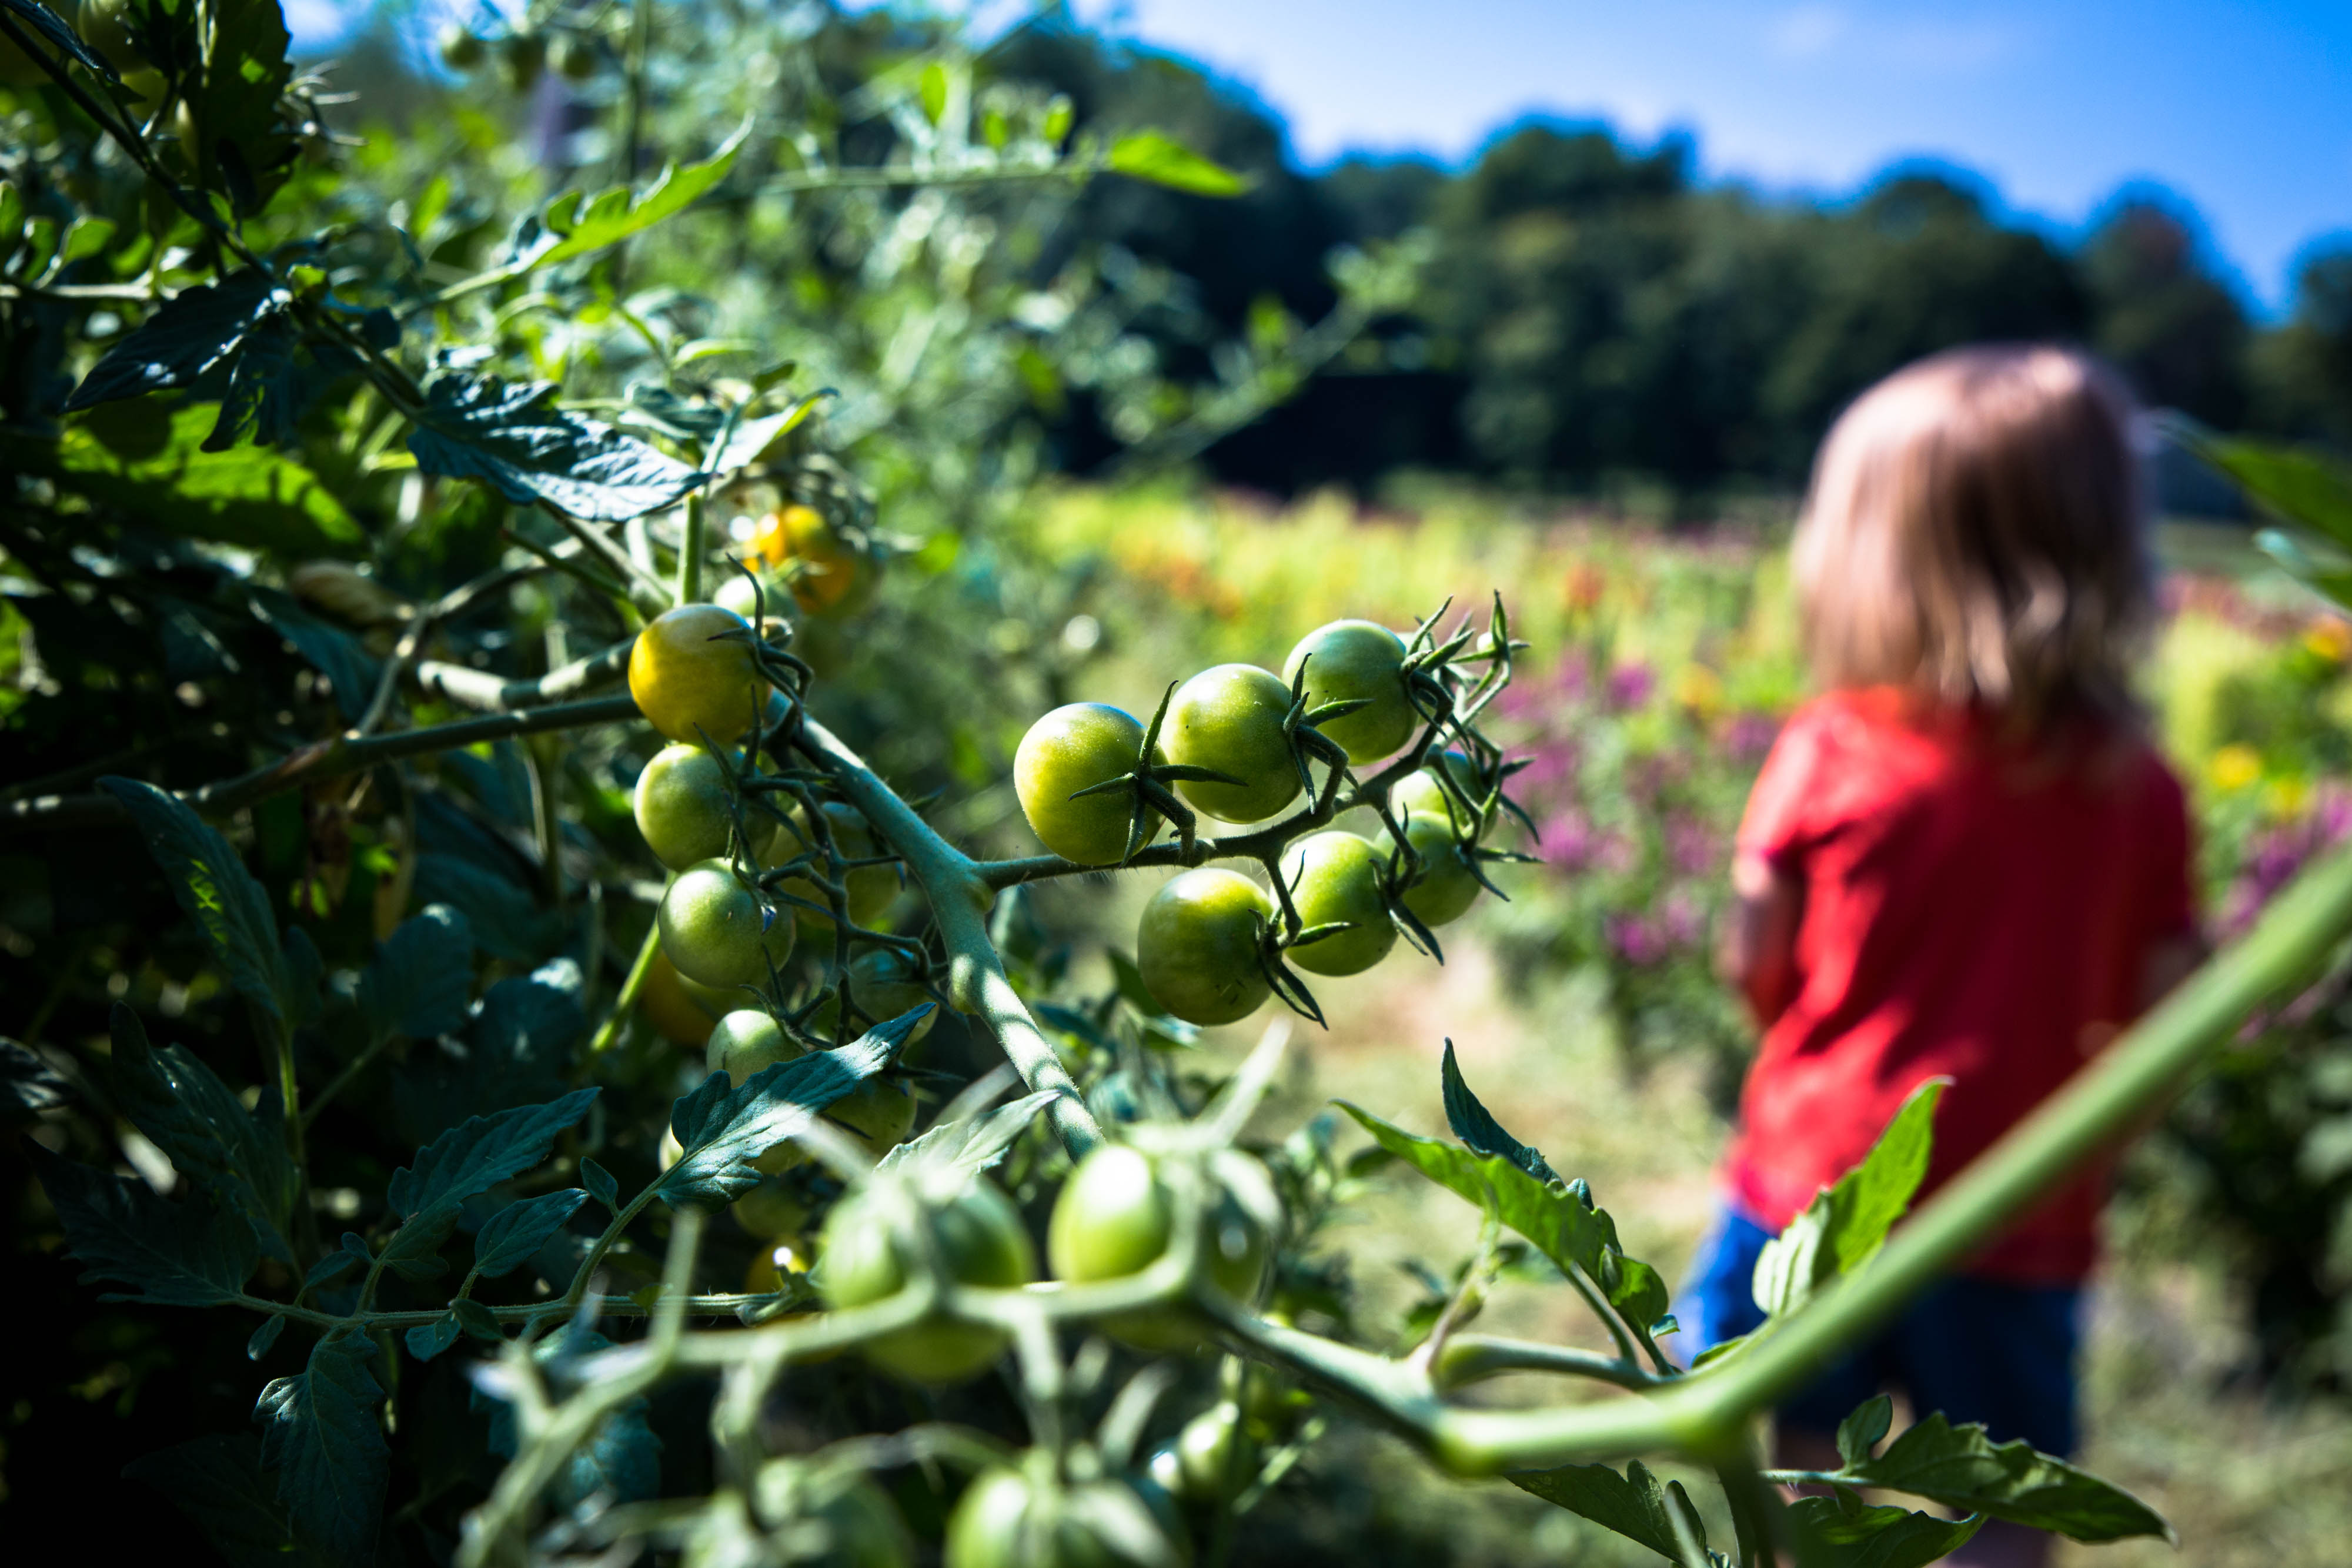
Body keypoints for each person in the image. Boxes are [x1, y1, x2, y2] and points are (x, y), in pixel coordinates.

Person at [1678, 345, 2206, 1568]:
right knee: (2007, 1493)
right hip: (2014, 1198)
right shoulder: (2137, 788)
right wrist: (2086, 1134)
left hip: (1820, 1177)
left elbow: (1750, 951)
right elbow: (2171, 1010)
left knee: (1797, 1452)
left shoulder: (1830, 747)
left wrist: (1795, 1021)